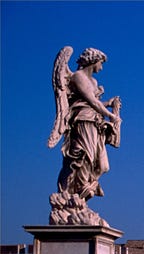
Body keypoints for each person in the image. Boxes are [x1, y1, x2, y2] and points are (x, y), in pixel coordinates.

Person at [48, 47, 121, 225]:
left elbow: (94, 102)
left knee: (102, 166)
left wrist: (109, 104)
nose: (101, 68)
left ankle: (80, 198)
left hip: (95, 124)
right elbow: (91, 101)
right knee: (81, 161)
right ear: (93, 60)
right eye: (100, 63)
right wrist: (111, 115)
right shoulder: (77, 77)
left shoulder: (94, 82)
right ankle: (70, 198)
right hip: (82, 123)